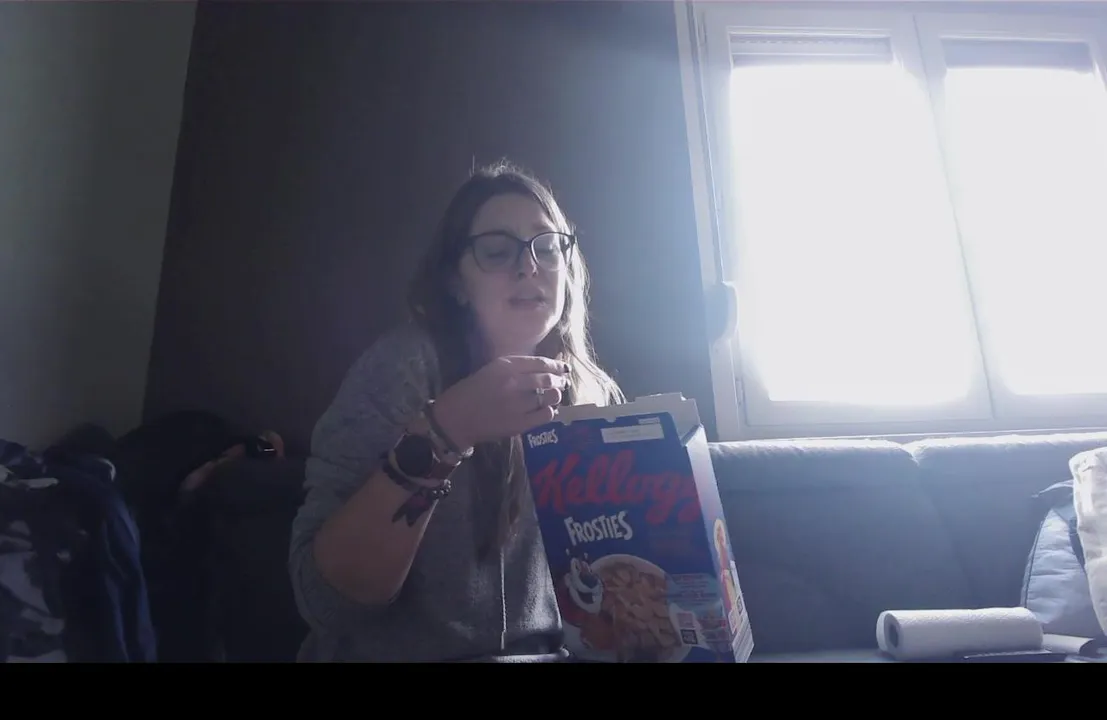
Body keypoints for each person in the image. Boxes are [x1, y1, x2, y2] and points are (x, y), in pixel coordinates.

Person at [288, 160, 624, 662]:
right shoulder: (402, 370)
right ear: (455, 282)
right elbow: (326, 602)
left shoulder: (594, 393)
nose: (529, 266)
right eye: (497, 250)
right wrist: (446, 430)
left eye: (548, 246)